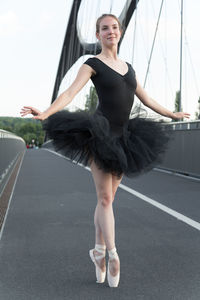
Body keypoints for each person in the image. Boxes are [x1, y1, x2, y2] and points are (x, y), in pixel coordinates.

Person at [20, 14, 190, 288]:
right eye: (104, 29)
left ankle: (97, 250)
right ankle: (112, 254)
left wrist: (173, 113)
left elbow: (146, 100)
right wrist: (47, 112)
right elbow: (70, 93)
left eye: (114, 27)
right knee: (105, 200)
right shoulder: (92, 64)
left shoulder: (129, 68)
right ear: (98, 35)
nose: (110, 32)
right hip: (98, 136)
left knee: (108, 199)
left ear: (120, 32)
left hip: (125, 140)